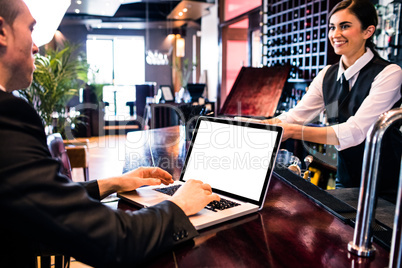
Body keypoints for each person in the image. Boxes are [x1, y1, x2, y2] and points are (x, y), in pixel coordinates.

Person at [0, 0, 219, 267]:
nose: (36, 46)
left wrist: (112, 183)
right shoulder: (7, 115)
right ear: (2, 32)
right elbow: (114, 240)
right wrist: (179, 206)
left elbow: (39, 200)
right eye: (31, 29)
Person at [264, 0, 402, 201]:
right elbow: (295, 116)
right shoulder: (327, 74)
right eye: (332, 27)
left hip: (385, 184)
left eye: (345, 26)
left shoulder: (389, 73)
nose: (335, 34)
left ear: (368, 31)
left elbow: (356, 132)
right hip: (345, 178)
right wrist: (258, 125)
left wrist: (292, 131)